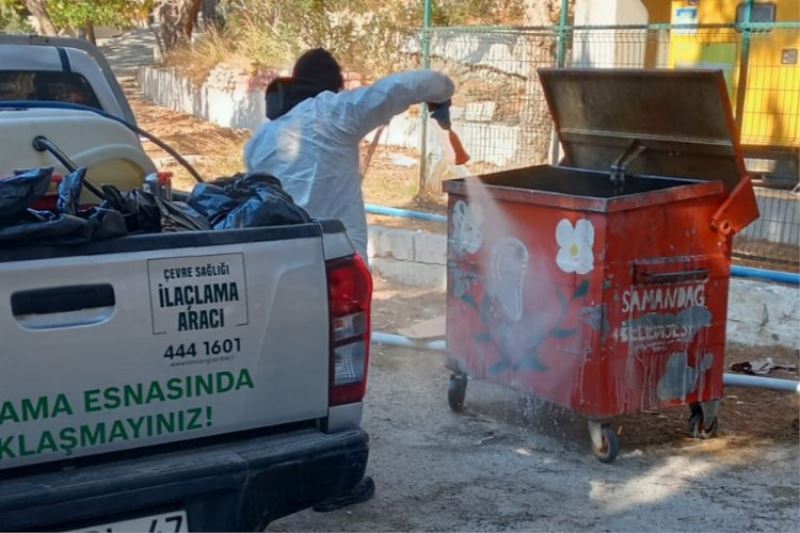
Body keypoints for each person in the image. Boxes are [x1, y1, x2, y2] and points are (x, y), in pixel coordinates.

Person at [244, 49, 455, 261]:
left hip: (281, 259)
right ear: (333, 85)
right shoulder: (335, 112)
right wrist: (444, 90)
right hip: (339, 260)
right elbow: (399, 88)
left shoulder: (260, 139)